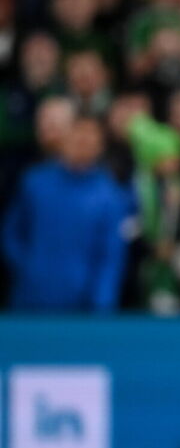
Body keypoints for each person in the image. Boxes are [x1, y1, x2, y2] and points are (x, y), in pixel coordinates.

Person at [3, 115, 132, 311]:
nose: (82, 144)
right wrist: (26, 268)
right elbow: (11, 233)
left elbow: (111, 257)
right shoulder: (34, 182)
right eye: (77, 137)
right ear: (64, 139)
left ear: (100, 147)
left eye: (89, 140)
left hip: (81, 307)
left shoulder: (110, 195)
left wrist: (101, 305)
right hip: (29, 300)